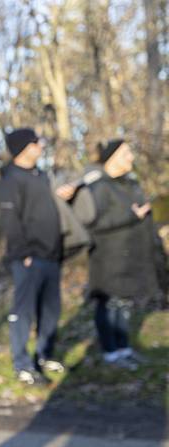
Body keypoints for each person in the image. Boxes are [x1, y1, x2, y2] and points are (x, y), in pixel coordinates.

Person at [72, 139, 167, 369]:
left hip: (129, 257)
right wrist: (131, 216)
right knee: (109, 305)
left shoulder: (130, 184)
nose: (131, 158)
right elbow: (93, 223)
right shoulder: (99, 187)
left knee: (124, 305)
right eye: (126, 154)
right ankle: (109, 353)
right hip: (107, 259)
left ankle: (124, 349)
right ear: (112, 158)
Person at [0, 128, 66, 385]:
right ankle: (22, 365)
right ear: (26, 147)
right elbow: (10, 220)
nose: (42, 146)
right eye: (38, 142)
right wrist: (22, 253)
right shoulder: (11, 179)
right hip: (28, 258)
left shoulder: (42, 176)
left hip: (52, 256)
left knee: (50, 310)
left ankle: (45, 355)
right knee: (23, 311)